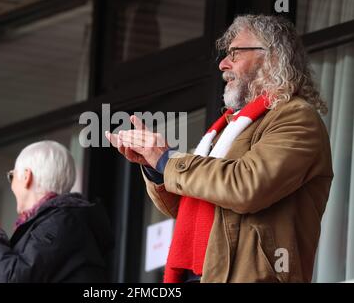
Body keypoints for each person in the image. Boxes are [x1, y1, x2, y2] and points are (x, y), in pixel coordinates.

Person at [105, 14, 333, 283]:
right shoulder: (228, 127)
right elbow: (192, 201)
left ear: (272, 58)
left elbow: (246, 186)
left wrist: (167, 160)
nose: (224, 64)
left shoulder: (297, 117)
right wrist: (154, 166)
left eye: (235, 53)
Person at [0, 140, 113, 283]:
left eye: (12, 176)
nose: (11, 185)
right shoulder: (52, 222)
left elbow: (16, 278)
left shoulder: (63, 221)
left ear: (26, 176)